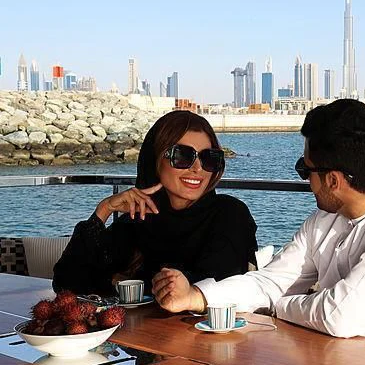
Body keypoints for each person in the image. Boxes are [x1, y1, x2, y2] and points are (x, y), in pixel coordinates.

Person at [153, 99, 365, 360]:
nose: (306, 182)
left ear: (333, 181)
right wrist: (195, 296)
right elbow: (273, 280)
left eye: (304, 170)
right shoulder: (326, 218)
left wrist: (281, 307)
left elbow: (341, 316)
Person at [53, 110, 257, 296]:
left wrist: (119, 282)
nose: (198, 168)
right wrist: (105, 209)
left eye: (209, 158)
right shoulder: (141, 219)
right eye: (183, 156)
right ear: (155, 160)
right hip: (136, 334)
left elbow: (216, 286)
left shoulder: (230, 214)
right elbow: (66, 283)